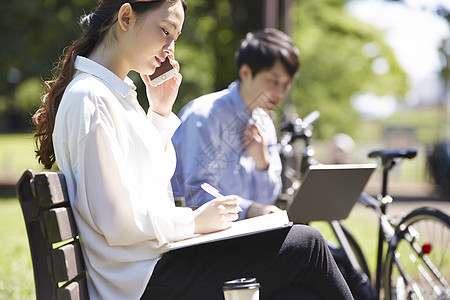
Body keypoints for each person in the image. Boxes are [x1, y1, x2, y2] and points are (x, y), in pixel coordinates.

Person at [32, 1, 353, 299]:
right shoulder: (92, 98)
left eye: (175, 37)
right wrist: (195, 222)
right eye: (165, 31)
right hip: (141, 280)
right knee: (307, 245)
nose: (170, 49)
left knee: (301, 292)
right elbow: (115, 222)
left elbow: (150, 188)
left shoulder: (114, 96)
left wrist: (159, 111)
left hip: (151, 264)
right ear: (126, 18)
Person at [171, 28, 297, 219]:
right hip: (203, 236)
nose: (280, 92)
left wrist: (262, 163)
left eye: (287, 84)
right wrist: (248, 210)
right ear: (246, 73)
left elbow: (268, 199)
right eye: (273, 81)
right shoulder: (204, 116)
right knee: (308, 241)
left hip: (250, 234)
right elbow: (194, 195)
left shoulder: (264, 122)